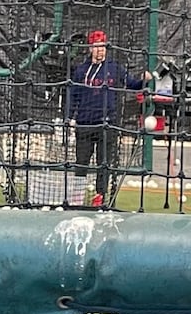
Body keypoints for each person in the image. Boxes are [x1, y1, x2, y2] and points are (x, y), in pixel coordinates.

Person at [66, 30, 154, 207]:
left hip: (107, 124)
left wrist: (144, 80)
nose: (101, 50)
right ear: (90, 48)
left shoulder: (114, 68)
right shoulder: (81, 70)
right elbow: (73, 95)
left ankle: (100, 197)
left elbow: (132, 84)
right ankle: (77, 196)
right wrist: (69, 118)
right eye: (97, 47)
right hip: (84, 123)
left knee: (103, 163)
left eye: (103, 47)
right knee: (81, 162)